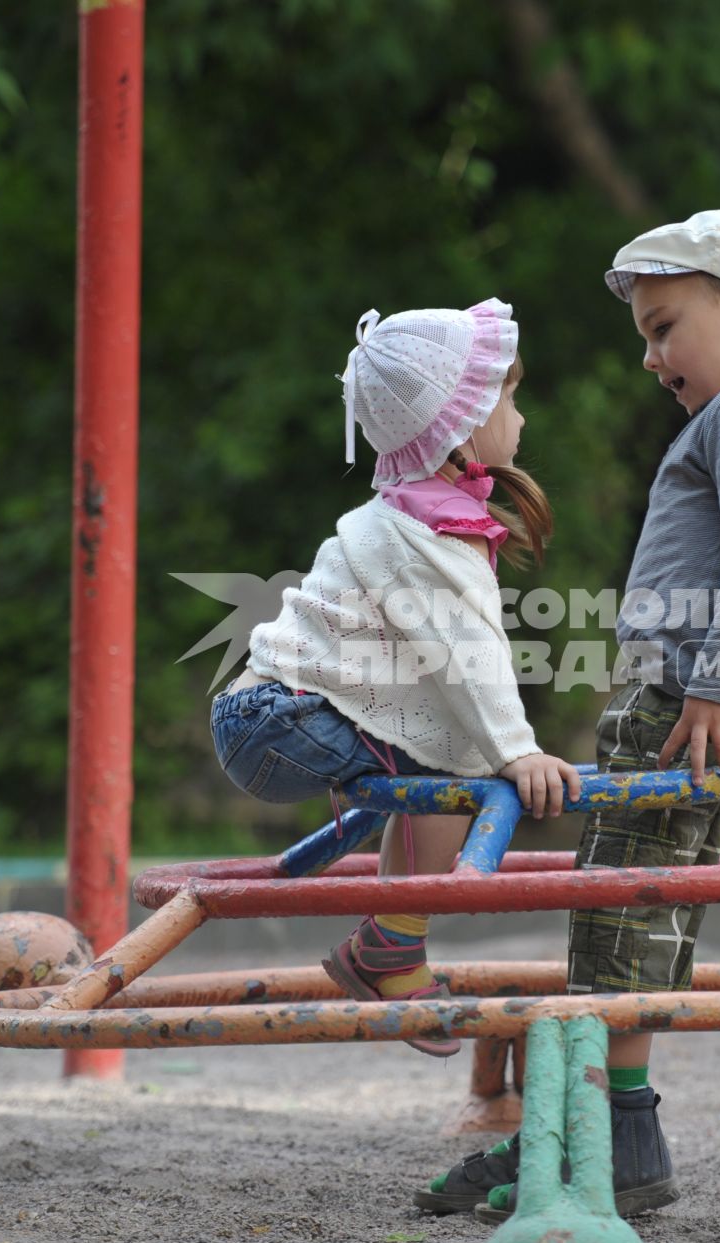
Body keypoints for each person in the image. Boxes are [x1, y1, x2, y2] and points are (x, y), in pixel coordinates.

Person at [418, 210, 720, 1215]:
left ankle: (600, 1142)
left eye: (661, 327)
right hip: (712, 706)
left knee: (614, 921)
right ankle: (610, 1133)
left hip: (683, 707)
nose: (650, 357)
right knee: (644, 919)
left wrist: (716, 682)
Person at [213, 299, 582, 1058]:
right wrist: (517, 752)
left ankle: (390, 940)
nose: (519, 417)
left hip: (265, 714)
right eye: (509, 396)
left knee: (447, 746)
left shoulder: (411, 515)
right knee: (457, 761)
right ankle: (391, 944)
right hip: (280, 721)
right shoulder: (426, 535)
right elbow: (471, 658)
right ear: (463, 423)